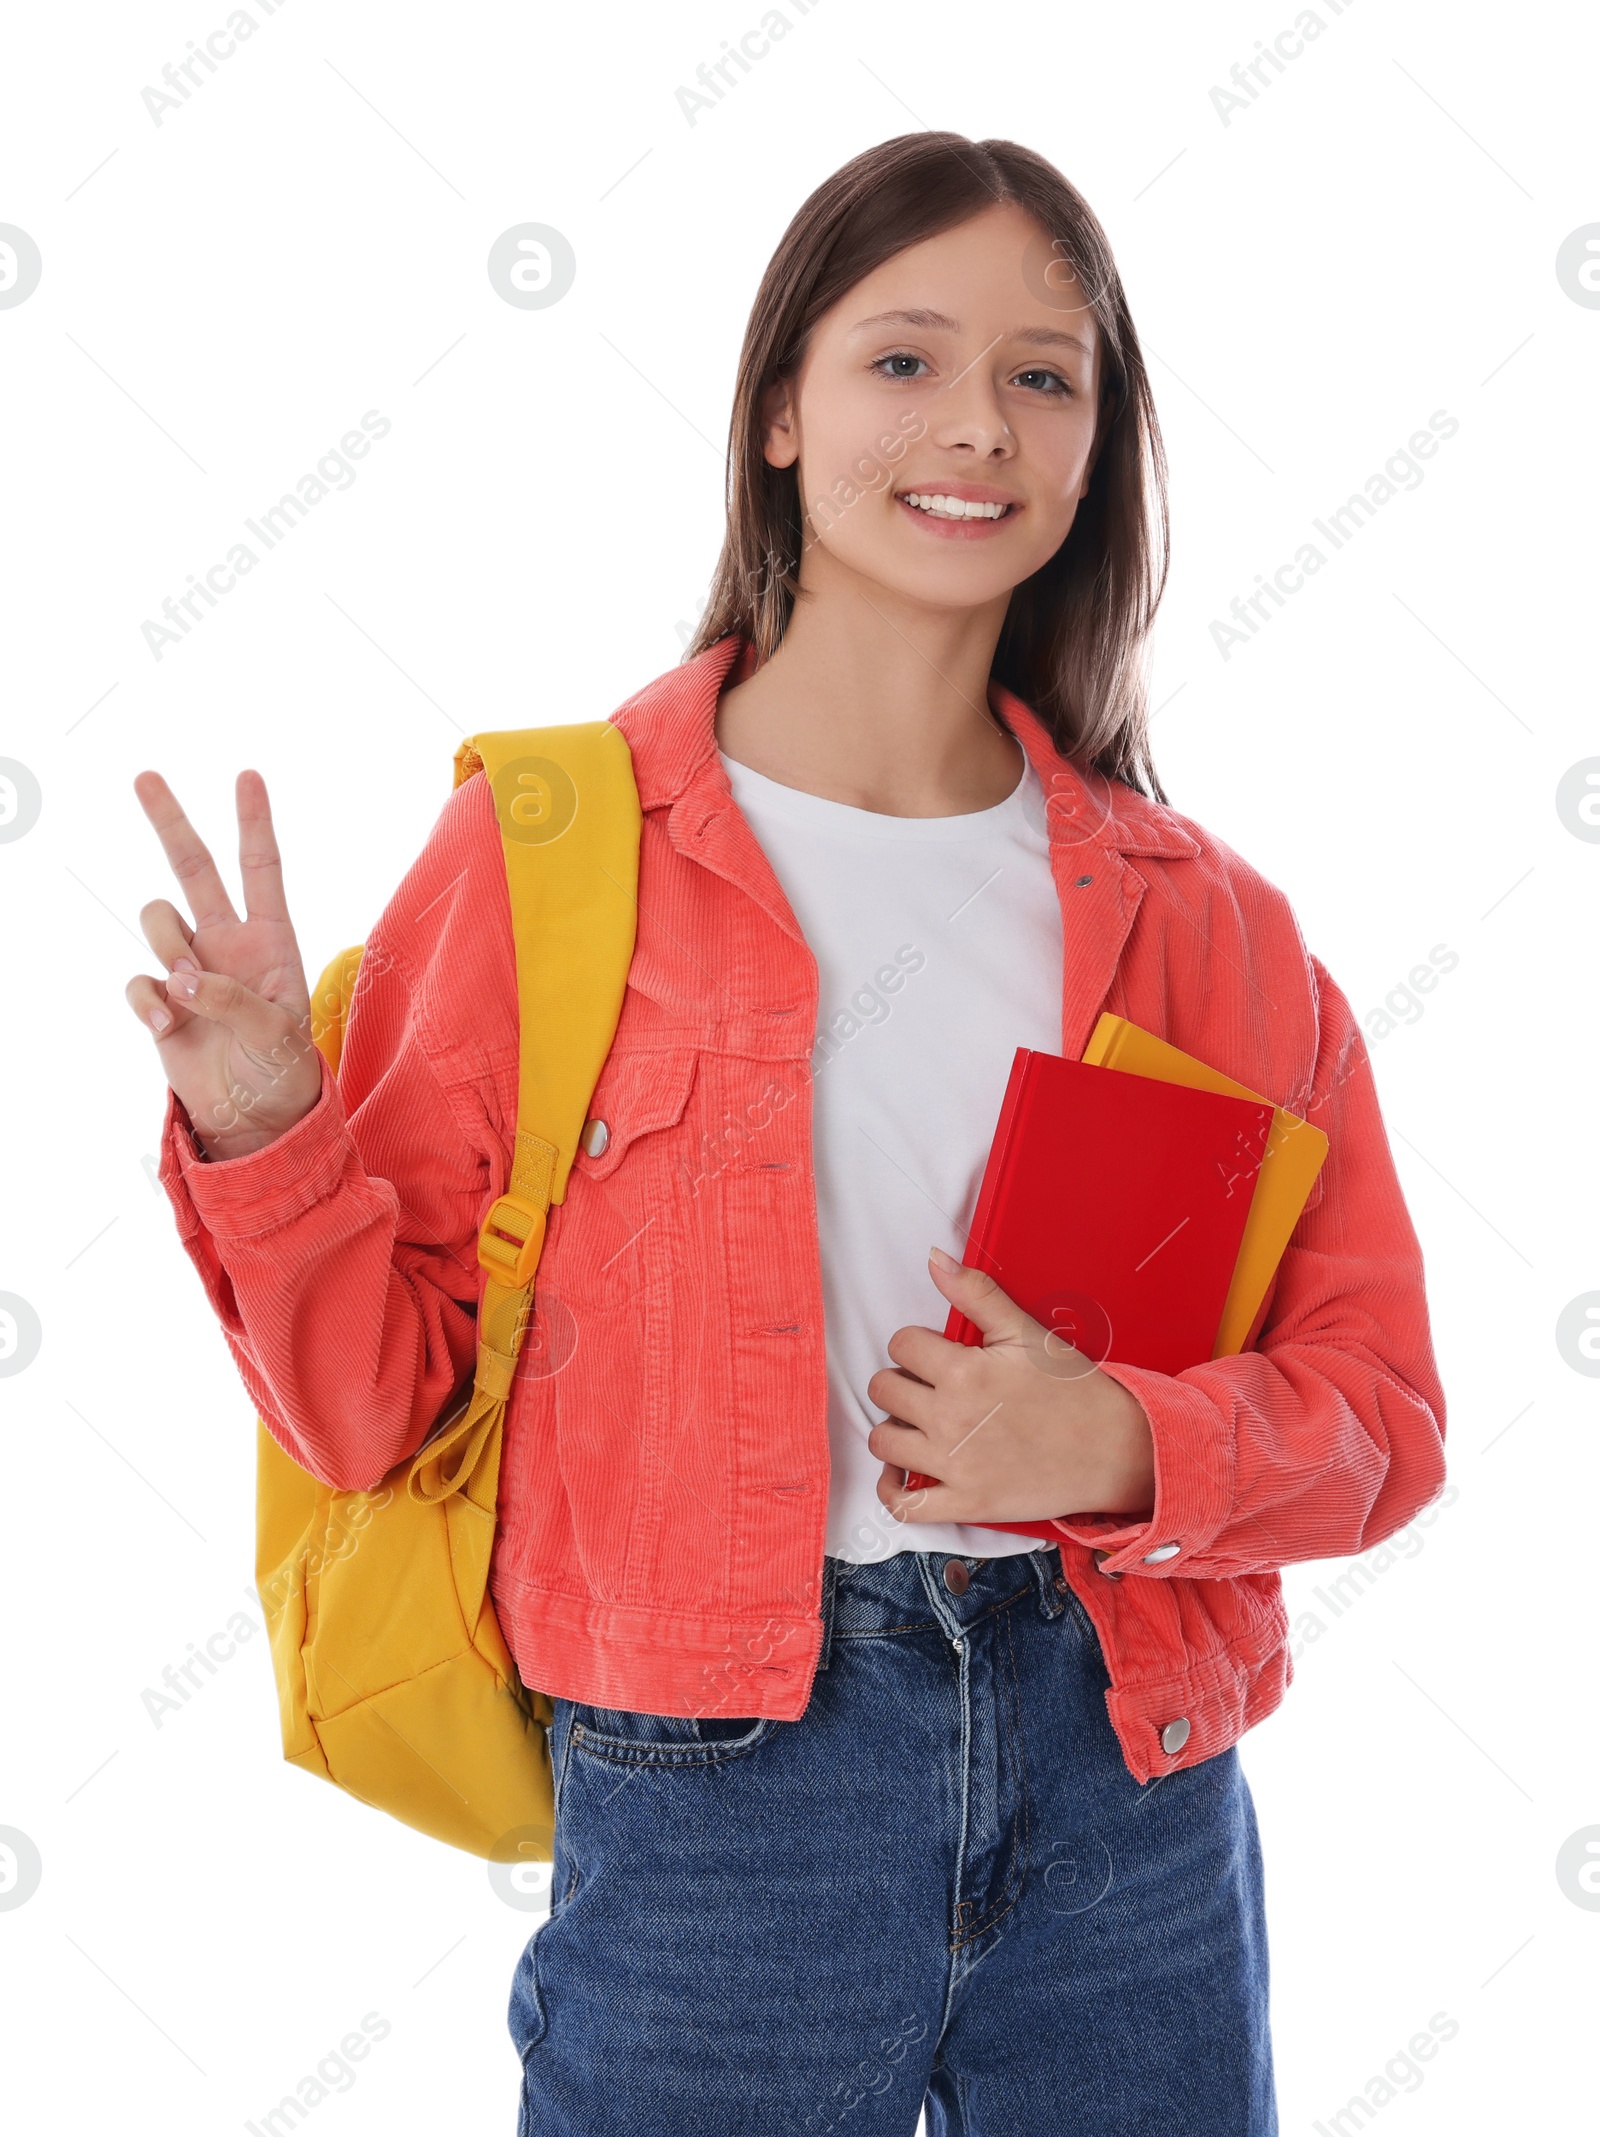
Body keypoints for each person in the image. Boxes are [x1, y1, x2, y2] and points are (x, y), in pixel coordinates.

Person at [127, 133, 1447, 2136]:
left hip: (1126, 1787)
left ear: (1095, 447)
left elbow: (1381, 1409)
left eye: (1042, 374)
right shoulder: (551, 851)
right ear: (775, 413)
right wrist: (264, 1127)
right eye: (901, 361)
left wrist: (1116, 1442)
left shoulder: (1206, 930)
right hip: (715, 1795)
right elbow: (377, 1411)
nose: (974, 425)